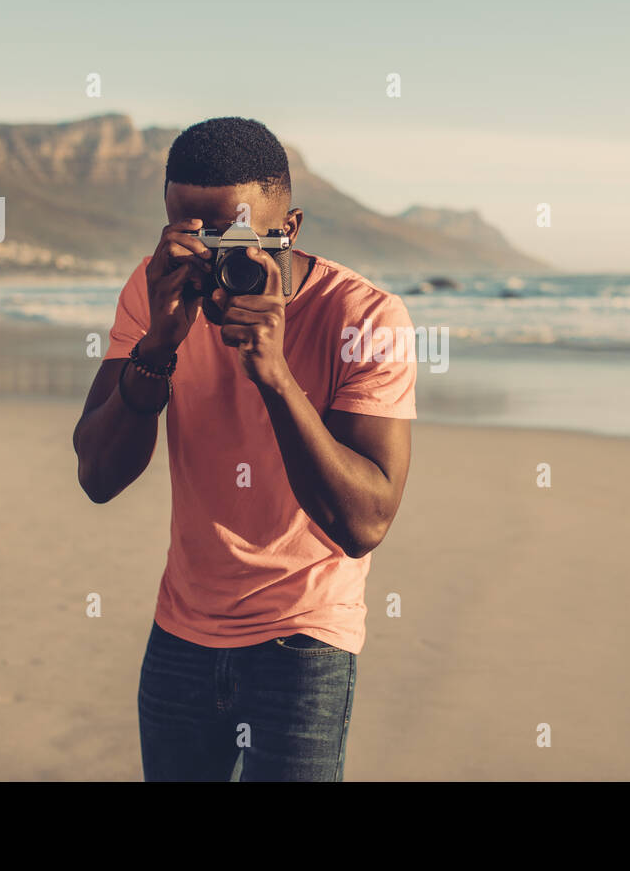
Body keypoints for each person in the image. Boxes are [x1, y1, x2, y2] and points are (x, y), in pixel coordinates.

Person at [72, 116, 416, 781]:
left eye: (236, 238)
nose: (213, 259)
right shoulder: (154, 294)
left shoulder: (365, 318)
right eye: (192, 238)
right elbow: (97, 474)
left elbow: (365, 522)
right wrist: (158, 346)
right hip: (182, 632)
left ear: (289, 229)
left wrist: (274, 374)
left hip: (307, 639)